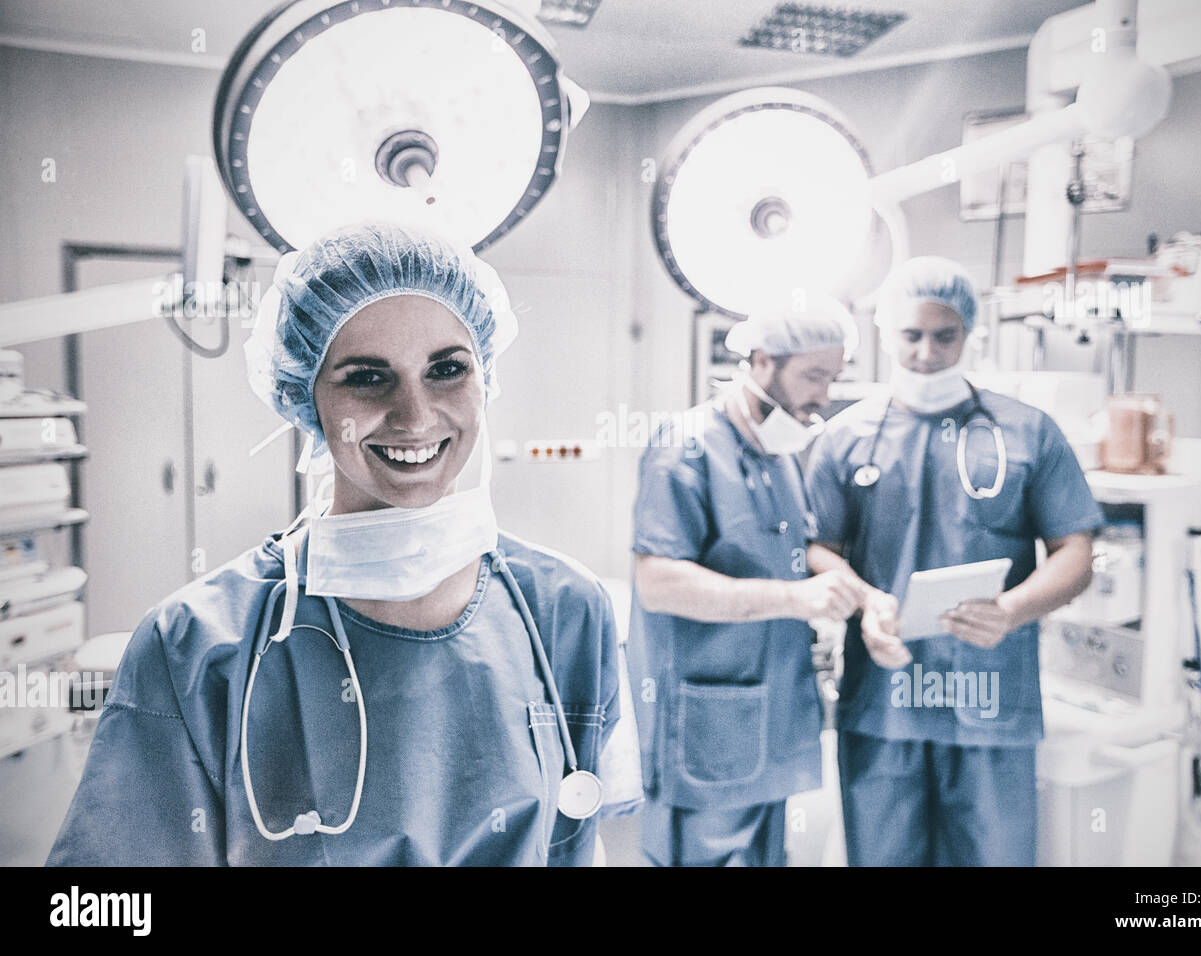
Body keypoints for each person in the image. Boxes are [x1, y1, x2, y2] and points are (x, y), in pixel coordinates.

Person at [47, 222, 620, 866]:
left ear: (484, 377)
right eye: (367, 377)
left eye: (447, 370)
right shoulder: (199, 644)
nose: (415, 416)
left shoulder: (565, 611)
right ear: (304, 397)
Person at [805, 256, 1101, 867]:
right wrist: (866, 601)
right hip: (885, 699)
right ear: (886, 334)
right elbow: (816, 547)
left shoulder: (1027, 433)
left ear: (970, 333)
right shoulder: (844, 436)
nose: (926, 353)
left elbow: (1075, 551)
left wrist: (1013, 609)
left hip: (991, 699)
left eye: (945, 336)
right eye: (911, 335)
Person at [628, 291, 866, 866]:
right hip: (708, 723)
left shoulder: (778, 454)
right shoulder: (685, 447)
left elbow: (791, 551)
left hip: (773, 715)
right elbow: (658, 581)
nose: (823, 396)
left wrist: (863, 596)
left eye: (833, 378)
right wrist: (795, 598)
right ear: (762, 361)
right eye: (813, 376)